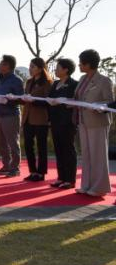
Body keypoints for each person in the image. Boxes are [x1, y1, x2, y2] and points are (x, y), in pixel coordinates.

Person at [74, 49, 114, 197]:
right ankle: (86, 185)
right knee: (86, 154)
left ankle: (99, 188)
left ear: (89, 64)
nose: (79, 65)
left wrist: (98, 106)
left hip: (98, 122)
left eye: (81, 63)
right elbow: (79, 98)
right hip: (83, 121)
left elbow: (109, 102)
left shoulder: (104, 80)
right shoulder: (82, 79)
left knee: (98, 155)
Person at [46, 58, 79, 189]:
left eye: (58, 67)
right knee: (58, 149)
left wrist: (65, 101)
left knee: (68, 150)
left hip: (67, 121)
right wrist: (50, 101)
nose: (55, 70)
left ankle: (70, 180)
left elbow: (76, 102)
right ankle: (61, 177)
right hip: (55, 121)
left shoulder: (74, 84)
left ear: (66, 70)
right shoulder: (55, 83)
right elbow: (50, 97)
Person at [20, 58, 53, 182]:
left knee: (41, 146)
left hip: (40, 118)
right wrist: (21, 99)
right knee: (28, 145)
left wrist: (34, 101)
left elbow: (48, 102)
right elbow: (25, 98)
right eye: (30, 66)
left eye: (33, 66)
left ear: (40, 68)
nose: (30, 69)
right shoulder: (29, 82)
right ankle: (32, 171)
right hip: (27, 117)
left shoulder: (47, 83)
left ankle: (41, 172)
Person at [0, 55, 25, 177]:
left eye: (3, 64)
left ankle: (15, 168)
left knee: (12, 142)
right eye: (0, 63)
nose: (0, 66)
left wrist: (9, 100)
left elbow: (22, 99)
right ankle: (6, 165)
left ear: (10, 66)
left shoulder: (16, 80)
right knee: (1, 142)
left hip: (11, 115)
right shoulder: (1, 79)